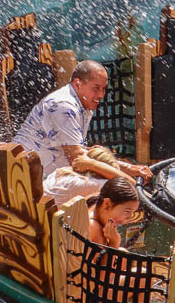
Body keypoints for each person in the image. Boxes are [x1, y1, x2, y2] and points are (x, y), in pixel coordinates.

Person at [13, 60, 150, 202]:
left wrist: (130, 168)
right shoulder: (64, 106)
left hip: (46, 181)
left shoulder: (82, 105)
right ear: (78, 84)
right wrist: (129, 170)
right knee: (122, 190)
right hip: (30, 189)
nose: (101, 95)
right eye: (96, 88)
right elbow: (79, 160)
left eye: (103, 89)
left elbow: (84, 156)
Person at [88, 175, 142, 248]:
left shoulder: (94, 201)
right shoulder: (95, 230)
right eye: (127, 211)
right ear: (106, 204)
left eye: (133, 212)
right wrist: (114, 242)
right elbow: (101, 260)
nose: (129, 219)